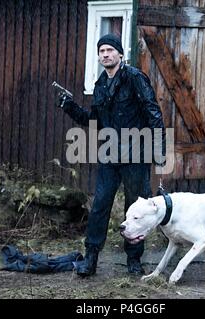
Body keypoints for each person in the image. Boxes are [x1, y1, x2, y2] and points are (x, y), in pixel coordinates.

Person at [56, 34, 166, 277]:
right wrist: (70, 107)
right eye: (101, 50)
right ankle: (91, 259)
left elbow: (153, 113)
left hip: (136, 154)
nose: (105, 54)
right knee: (100, 206)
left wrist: (159, 150)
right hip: (109, 155)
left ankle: (134, 261)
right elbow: (95, 122)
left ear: (120, 54)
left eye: (109, 50)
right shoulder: (100, 86)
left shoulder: (135, 78)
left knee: (134, 208)